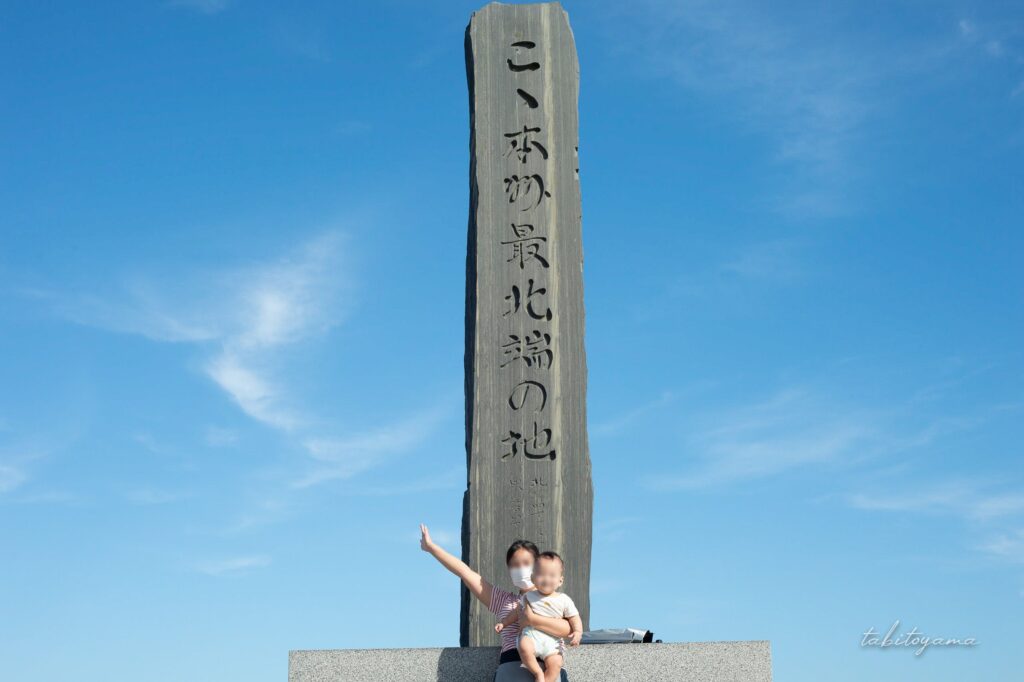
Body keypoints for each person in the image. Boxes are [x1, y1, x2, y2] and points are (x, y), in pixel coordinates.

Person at [419, 524, 576, 681]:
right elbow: (465, 572)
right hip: (512, 668)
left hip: (551, 668)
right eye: (514, 565)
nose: (521, 568)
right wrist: (432, 548)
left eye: (526, 563)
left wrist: (532, 619)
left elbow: (568, 629)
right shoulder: (503, 600)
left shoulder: (556, 599)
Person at [495, 551, 582, 682]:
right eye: (541, 575)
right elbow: (516, 613)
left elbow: (574, 617)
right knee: (524, 646)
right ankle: (537, 673)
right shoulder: (528, 597)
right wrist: (504, 622)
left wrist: (578, 632)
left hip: (552, 641)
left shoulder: (564, 599)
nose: (546, 579)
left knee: (557, 662)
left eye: (552, 575)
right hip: (531, 635)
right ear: (533, 578)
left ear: (560, 580)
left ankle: (546, 679)